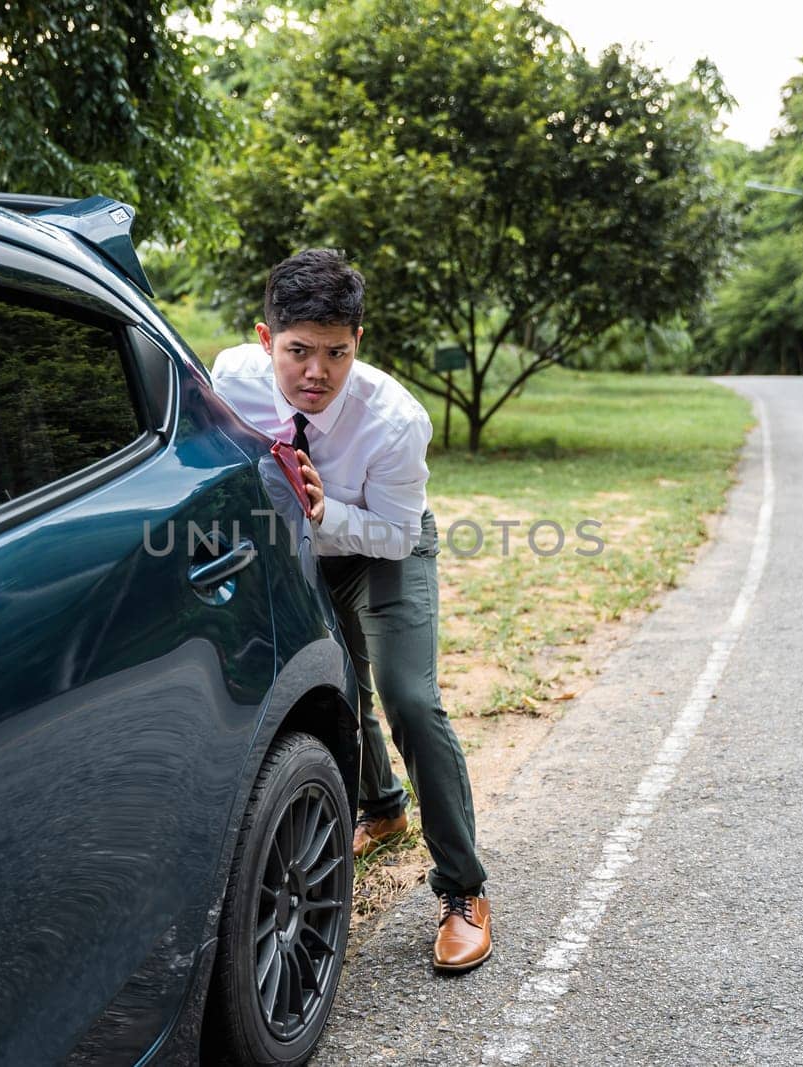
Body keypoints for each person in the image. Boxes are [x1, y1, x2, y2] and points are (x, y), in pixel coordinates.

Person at [210, 248, 492, 972]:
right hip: (304, 546)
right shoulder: (232, 376)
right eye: (298, 351)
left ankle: (464, 888)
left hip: (386, 548)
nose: (316, 373)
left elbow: (397, 531)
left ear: (357, 344)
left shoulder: (395, 420)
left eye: (336, 353)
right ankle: (383, 805)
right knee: (333, 681)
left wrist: (327, 509)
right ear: (267, 340)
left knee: (406, 694)